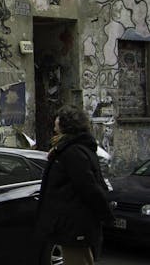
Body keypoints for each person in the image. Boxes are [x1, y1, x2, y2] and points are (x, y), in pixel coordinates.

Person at [35, 105, 114, 265]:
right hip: (72, 221)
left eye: (58, 118)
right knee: (82, 259)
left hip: (75, 222)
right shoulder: (68, 148)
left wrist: (106, 215)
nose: (55, 121)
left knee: (77, 260)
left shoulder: (73, 152)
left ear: (66, 123)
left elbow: (89, 187)